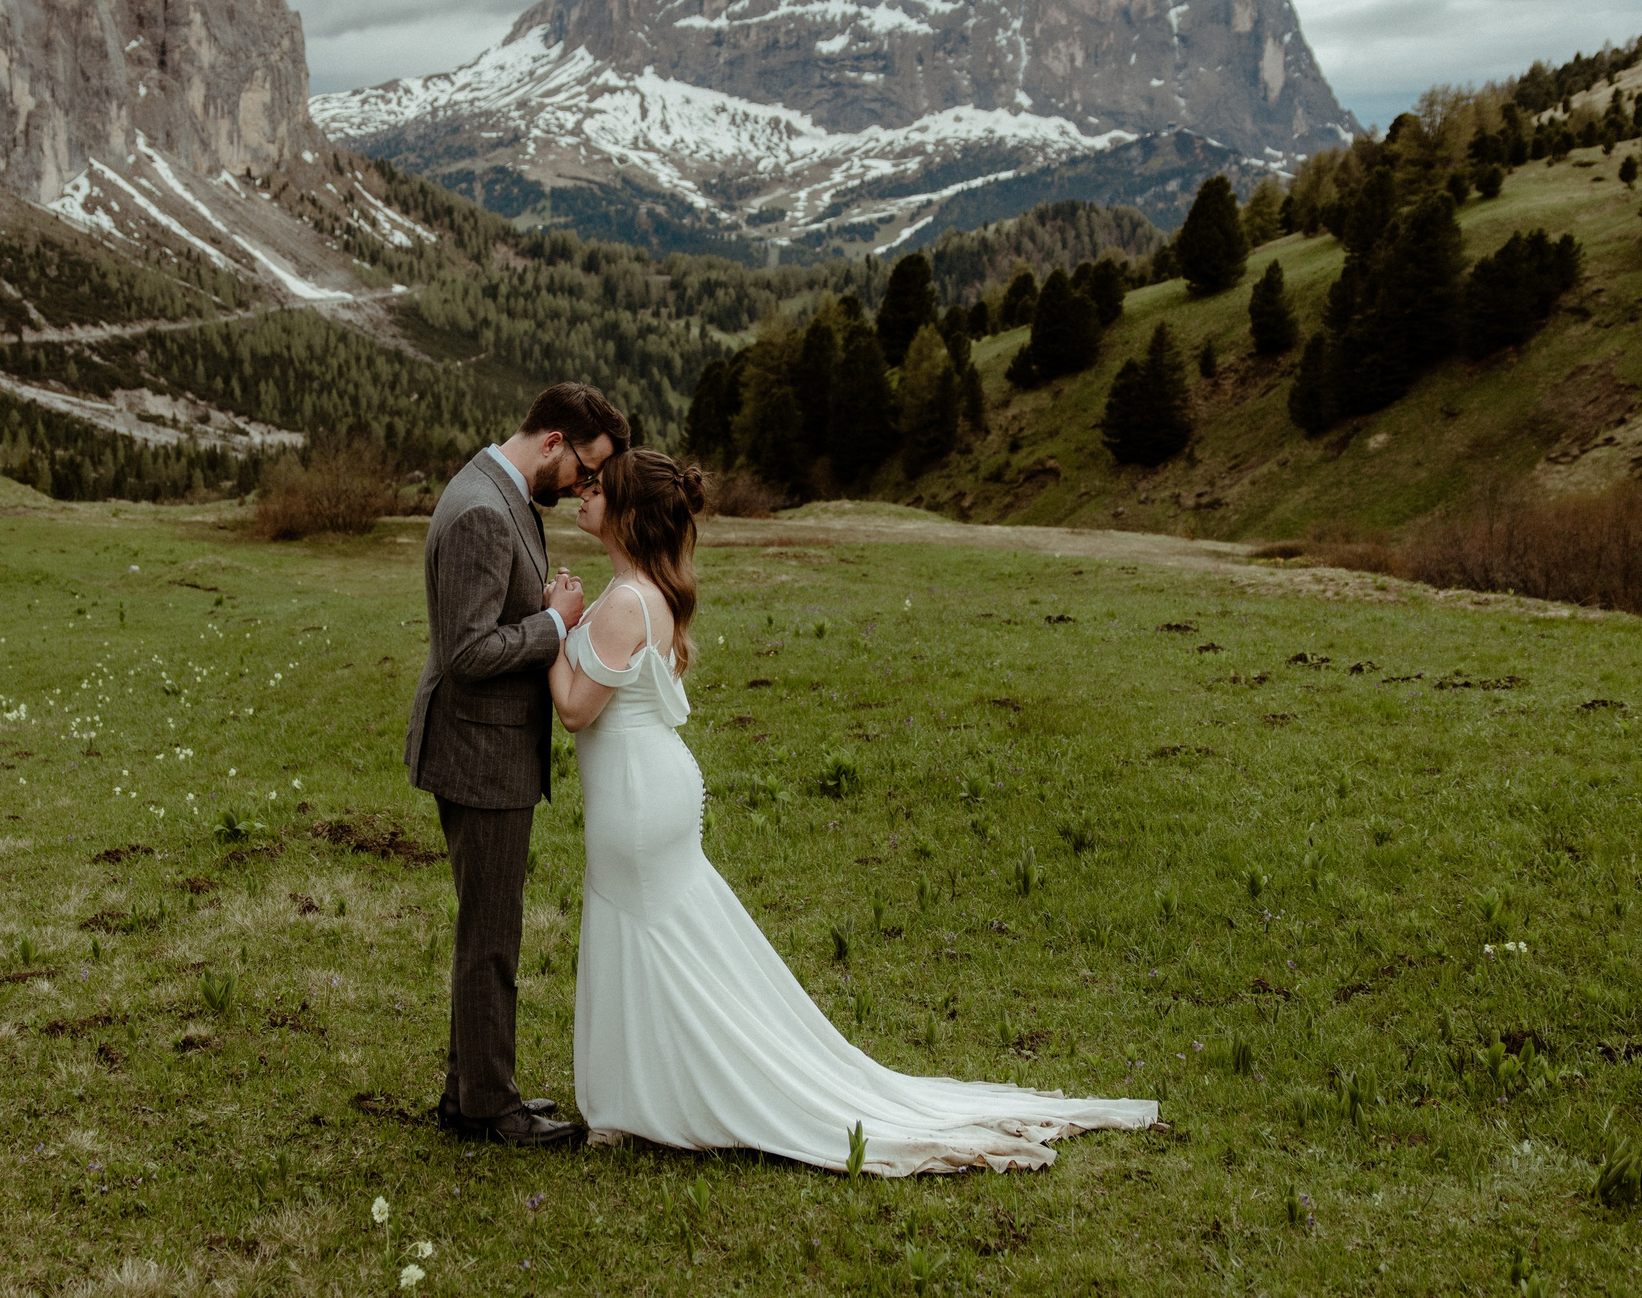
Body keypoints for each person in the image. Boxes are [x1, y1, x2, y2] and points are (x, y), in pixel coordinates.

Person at [552, 449, 1161, 1173]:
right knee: (660, 940)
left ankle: (658, 1097)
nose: (584, 495)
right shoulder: (640, 589)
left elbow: (573, 709)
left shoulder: (625, 601)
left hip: (635, 792)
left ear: (626, 513)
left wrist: (552, 625)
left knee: (648, 935)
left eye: (598, 489)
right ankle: (638, 1096)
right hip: (649, 784)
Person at [407, 382, 629, 1146]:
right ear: (554, 443)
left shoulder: (503, 494)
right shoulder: (479, 508)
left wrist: (538, 607)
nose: (585, 487)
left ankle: (470, 1090)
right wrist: (552, 622)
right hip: (478, 751)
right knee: (491, 938)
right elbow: (467, 652)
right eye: (585, 470)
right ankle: (488, 1110)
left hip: (488, 746)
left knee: (489, 930)